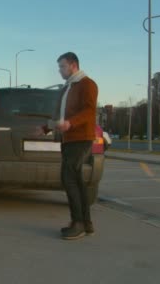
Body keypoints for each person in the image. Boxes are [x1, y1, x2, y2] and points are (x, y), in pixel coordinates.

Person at [55, 52, 98, 240]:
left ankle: (78, 223)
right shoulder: (68, 87)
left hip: (81, 138)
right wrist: (45, 128)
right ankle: (86, 223)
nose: (60, 71)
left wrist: (71, 123)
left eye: (62, 67)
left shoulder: (87, 84)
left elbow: (89, 111)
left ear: (73, 65)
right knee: (76, 179)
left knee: (68, 178)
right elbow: (61, 115)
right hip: (69, 139)